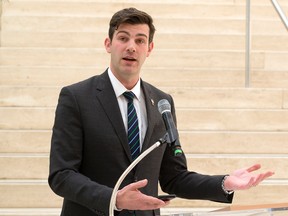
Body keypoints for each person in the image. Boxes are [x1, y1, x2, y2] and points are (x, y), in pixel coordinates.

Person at [48, 7, 274, 216]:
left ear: (150, 48)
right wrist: (115, 199)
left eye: (140, 40)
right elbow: (61, 175)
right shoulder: (76, 97)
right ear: (108, 44)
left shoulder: (163, 102)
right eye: (123, 38)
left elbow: (173, 177)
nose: (131, 47)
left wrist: (224, 183)